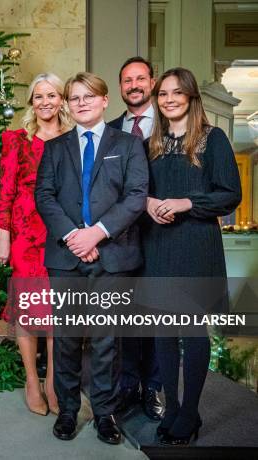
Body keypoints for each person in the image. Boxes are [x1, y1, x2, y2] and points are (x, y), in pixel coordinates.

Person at [35, 72, 148, 445]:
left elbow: (135, 196)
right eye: (75, 97)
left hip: (112, 254)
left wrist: (96, 233)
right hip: (66, 256)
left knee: (105, 339)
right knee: (66, 337)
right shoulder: (55, 147)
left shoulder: (129, 145)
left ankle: (105, 414)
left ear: (104, 101)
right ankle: (68, 411)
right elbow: (45, 197)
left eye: (89, 96)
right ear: (68, 104)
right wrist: (73, 236)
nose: (81, 102)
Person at [143, 68, 241, 445]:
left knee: (192, 331)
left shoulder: (212, 139)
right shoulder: (152, 142)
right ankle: (173, 407)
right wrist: (150, 202)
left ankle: (191, 412)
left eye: (176, 93)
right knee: (164, 333)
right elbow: (137, 188)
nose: (168, 99)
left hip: (196, 244)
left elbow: (230, 194)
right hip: (159, 245)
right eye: (163, 93)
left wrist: (186, 202)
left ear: (191, 97)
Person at [0, 73, 73, 416]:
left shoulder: (73, 138)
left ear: (61, 100)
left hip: (62, 232)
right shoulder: (16, 140)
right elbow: (6, 191)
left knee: (57, 311)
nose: (45, 102)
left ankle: (54, 382)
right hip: (25, 236)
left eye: (51, 95)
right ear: (31, 102)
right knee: (29, 310)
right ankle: (31, 380)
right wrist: (3, 237)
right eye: (38, 96)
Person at [109, 56, 163, 421]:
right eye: (127, 80)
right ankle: (128, 385)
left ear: (153, 81)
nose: (134, 85)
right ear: (120, 87)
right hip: (122, 237)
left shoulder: (172, 126)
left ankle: (155, 386)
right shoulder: (110, 129)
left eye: (140, 78)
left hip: (162, 234)